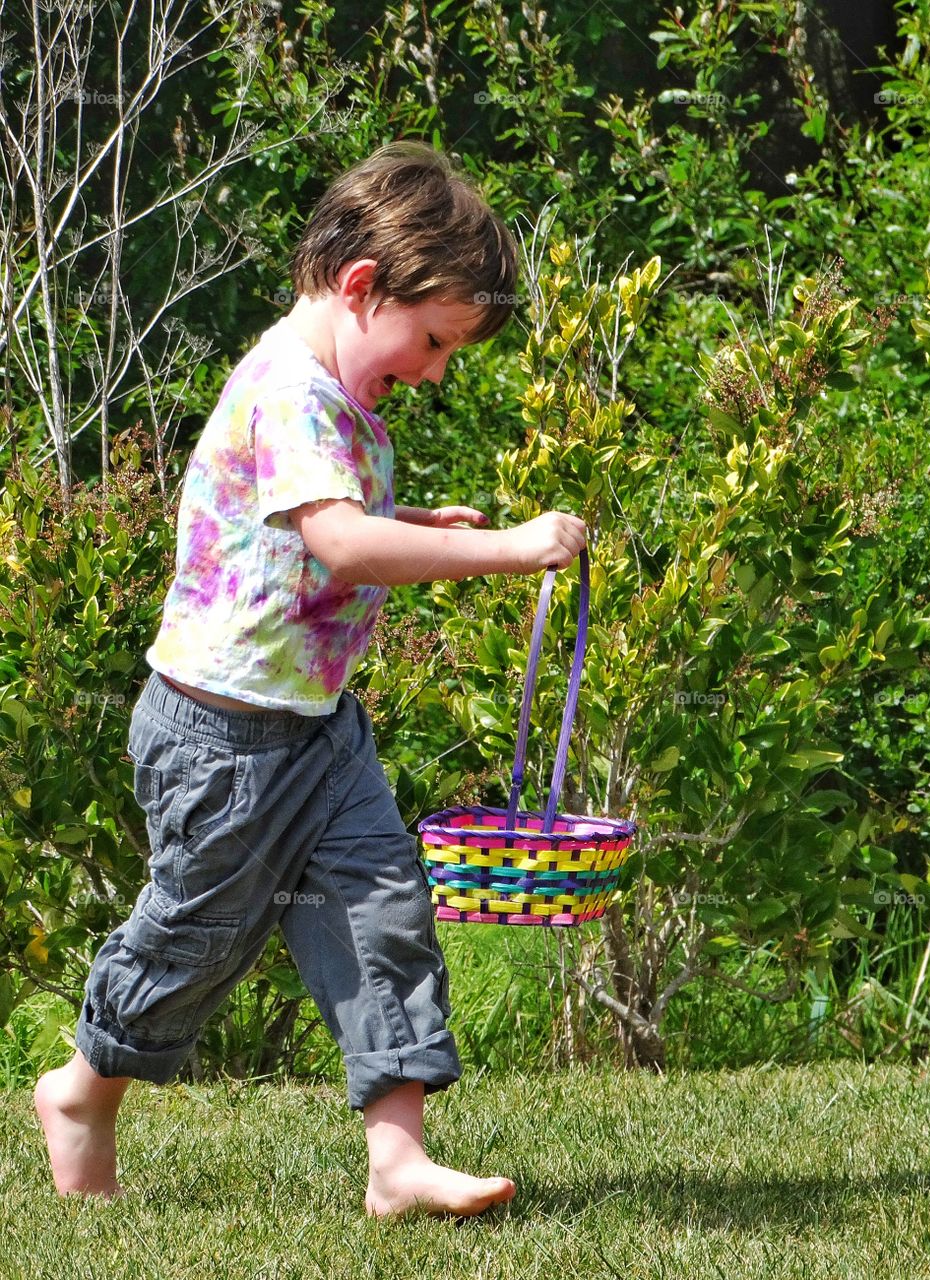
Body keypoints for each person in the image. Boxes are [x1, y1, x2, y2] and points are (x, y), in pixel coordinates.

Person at [34, 141, 586, 1216]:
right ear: (362, 285)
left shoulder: (332, 394)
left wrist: (412, 523)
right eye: (432, 342)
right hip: (220, 739)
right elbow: (340, 545)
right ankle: (84, 1088)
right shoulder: (291, 389)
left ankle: (399, 1160)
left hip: (319, 733)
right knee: (197, 937)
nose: (433, 372)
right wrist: (512, 546)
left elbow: (304, 533)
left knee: (381, 909)